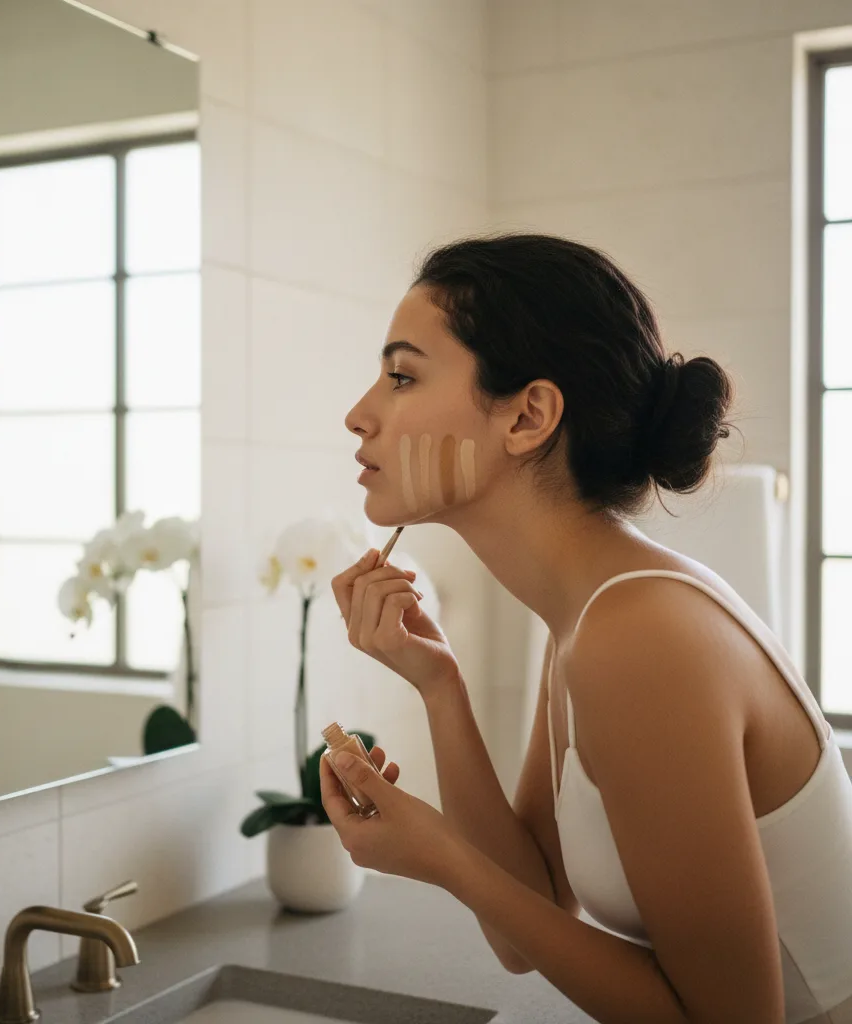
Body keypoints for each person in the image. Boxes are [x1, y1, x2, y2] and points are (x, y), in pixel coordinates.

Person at [320, 234, 852, 1023]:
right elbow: (523, 929)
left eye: (401, 376)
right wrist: (440, 687)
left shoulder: (639, 637)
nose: (359, 414)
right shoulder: (587, 616)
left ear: (529, 416)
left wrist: (443, 859)